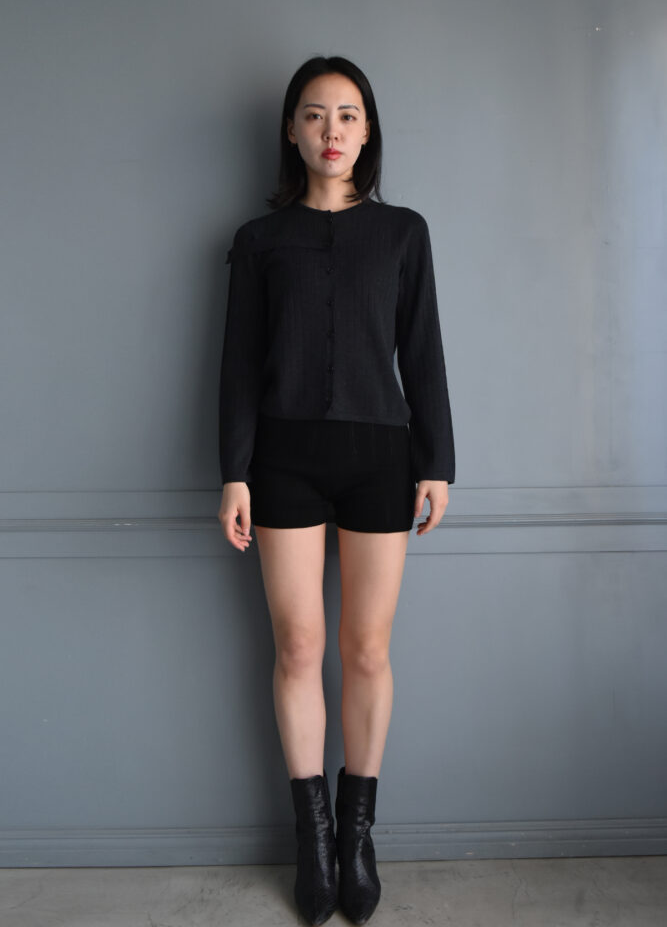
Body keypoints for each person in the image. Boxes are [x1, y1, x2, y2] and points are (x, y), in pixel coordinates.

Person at [217, 55, 455, 926]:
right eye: (314, 114)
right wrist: (233, 470)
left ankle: (357, 836)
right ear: (291, 130)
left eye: (347, 115)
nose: (331, 130)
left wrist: (437, 462)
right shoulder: (258, 241)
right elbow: (238, 365)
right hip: (282, 459)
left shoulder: (402, 233)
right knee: (296, 646)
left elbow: (421, 351)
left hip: (379, 456)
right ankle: (311, 840)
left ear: (367, 130)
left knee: (365, 650)